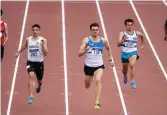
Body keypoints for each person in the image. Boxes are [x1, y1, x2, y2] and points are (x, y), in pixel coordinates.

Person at [78, 23, 114, 110]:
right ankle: (91, 77)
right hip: (88, 66)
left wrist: (110, 59)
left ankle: (97, 102)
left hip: (99, 66)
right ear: (91, 31)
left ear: (99, 30)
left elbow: (109, 48)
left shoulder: (103, 40)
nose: (95, 31)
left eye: (96, 30)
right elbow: (79, 53)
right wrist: (85, 50)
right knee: (87, 85)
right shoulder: (86, 40)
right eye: (93, 30)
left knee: (98, 80)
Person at [15, 24, 48, 104]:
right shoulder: (28, 39)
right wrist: (18, 52)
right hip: (30, 62)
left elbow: (46, 53)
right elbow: (24, 46)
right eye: (33, 30)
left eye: (36, 30)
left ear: (39, 31)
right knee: (31, 76)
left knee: (39, 80)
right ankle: (31, 96)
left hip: (39, 63)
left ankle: (39, 86)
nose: (35, 31)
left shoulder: (43, 40)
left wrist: (43, 46)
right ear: (32, 31)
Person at [117, 18, 144, 89]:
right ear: (125, 26)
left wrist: (142, 44)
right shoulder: (122, 33)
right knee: (125, 70)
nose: (130, 26)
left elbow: (142, 35)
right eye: (128, 25)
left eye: (131, 25)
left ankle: (132, 81)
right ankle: (125, 75)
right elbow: (118, 44)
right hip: (125, 54)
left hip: (133, 52)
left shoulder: (136, 33)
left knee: (132, 65)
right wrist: (123, 40)